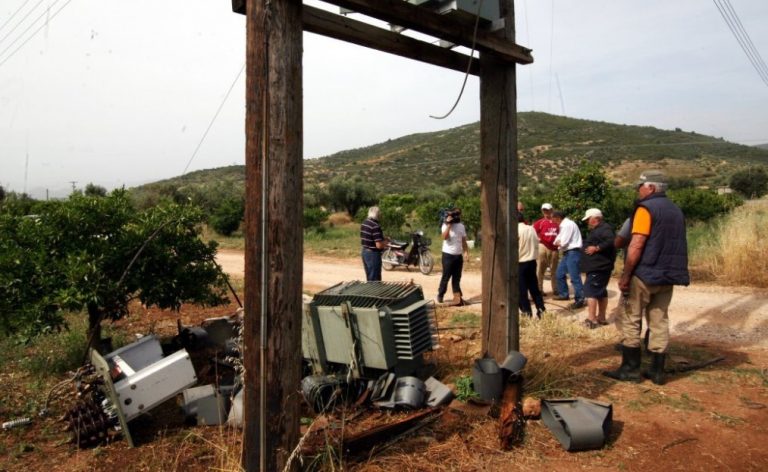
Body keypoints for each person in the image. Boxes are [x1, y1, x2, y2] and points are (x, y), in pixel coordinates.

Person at [604, 170, 690, 385]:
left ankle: (630, 370)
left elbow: (637, 243)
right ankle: (657, 372)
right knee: (660, 320)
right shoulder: (676, 210)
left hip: (644, 273)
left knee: (630, 318)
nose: (638, 190)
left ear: (651, 187)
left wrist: (626, 274)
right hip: (668, 275)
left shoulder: (646, 209)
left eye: (640, 186)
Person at [579, 208, 616, 329]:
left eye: (588, 219)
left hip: (599, 267)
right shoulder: (600, 229)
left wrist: (597, 248)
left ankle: (592, 320)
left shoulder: (605, 229)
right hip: (599, 266)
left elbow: (611, 240)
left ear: (596, 218)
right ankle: (601, 317)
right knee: (601, 292)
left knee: (591, 292)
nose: (587, 222)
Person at [551, 210, 585, 309]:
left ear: (557, 217)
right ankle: (563, 294)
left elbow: (563, 242)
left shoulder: (567, 225)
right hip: (568, 253)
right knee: (559, 274)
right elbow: (556, 241)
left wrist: (559, 242)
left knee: (574, 277)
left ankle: (580, 299)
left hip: (573, 252)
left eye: (553, 218)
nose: (552, 221)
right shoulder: (564, 225)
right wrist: (558, 242)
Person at [437, 207, 469, 304]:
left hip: (458, 256)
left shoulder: (461, 226)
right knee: (446, 277)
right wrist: (449, 225)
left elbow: (463, 240)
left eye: (457, 215)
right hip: (448, 255)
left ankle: (457, 297)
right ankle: (440, 294)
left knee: (457, 277)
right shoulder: (444, 225)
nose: (456, 217)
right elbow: (444, 237)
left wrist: (466, 252)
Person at [518, 213, 546, 318]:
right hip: (532, 261)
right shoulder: (531, 228)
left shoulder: (515, 230)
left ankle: (527, 313)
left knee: (522, 290)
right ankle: (541, 310)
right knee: (534, 288)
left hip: (520, 262)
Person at [533, 203, 560, 296]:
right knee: (540, 269)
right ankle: (539, 289)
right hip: (543, 246)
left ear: (552, 210)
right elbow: (532, 232)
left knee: (554, 270)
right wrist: (538, 239)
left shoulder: (557, 222)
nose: (546, 212)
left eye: (548, 210)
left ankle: (555, 289)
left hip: (554, 247)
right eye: (544, 210)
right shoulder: (540, 222)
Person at [360, 206, 388, 281]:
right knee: (375, 280)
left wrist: (382, 238)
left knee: (369, 278)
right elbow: (378, 245)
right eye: (380, 214)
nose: (381, 215)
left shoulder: (365, 222)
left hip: (365, 252)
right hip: (373, 255)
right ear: (377, 215)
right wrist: (386, 243)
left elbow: (369, 236)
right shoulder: (375, 226)